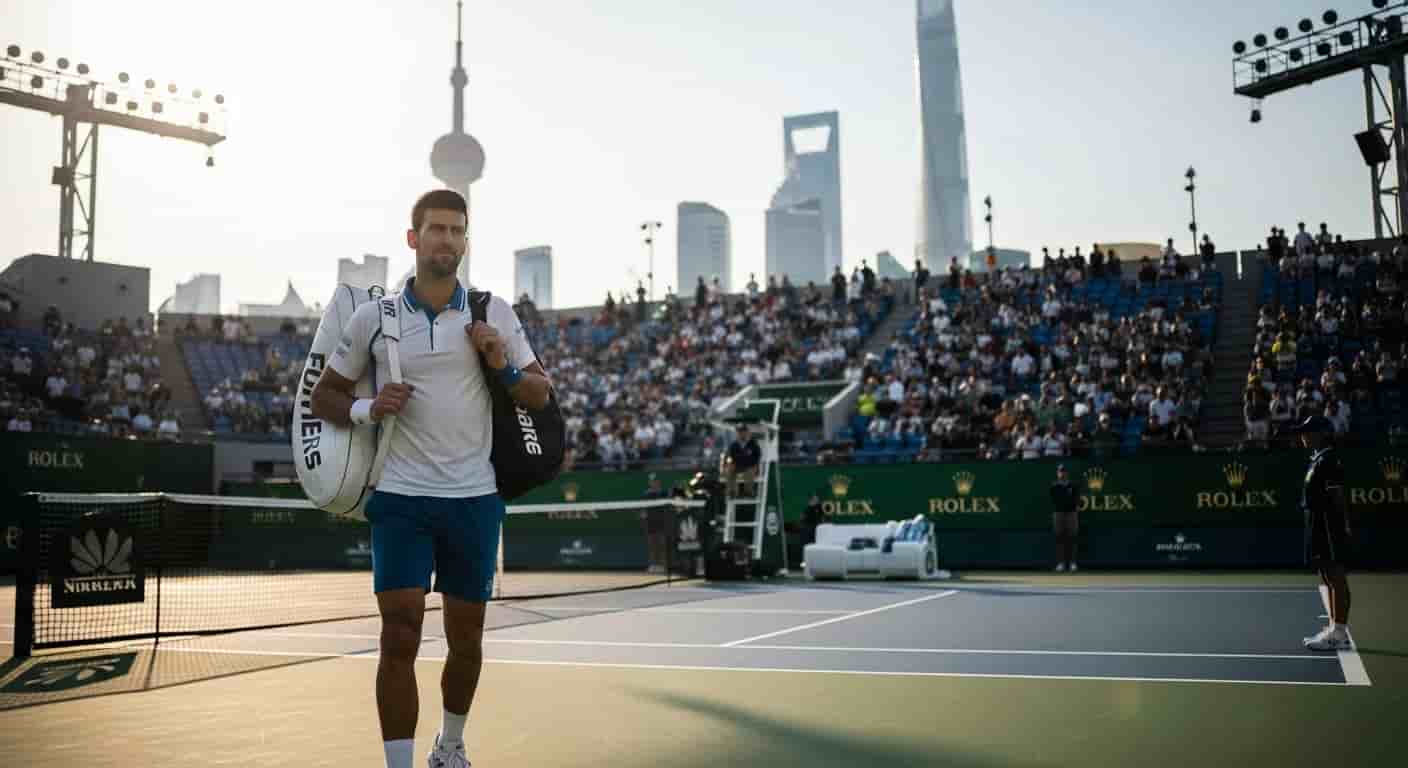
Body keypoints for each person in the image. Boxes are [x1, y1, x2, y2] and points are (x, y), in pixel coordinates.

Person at [311, 189, 551, 768]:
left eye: (456, 230)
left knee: (466, 641)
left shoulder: (494, 312)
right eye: (436, 229)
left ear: (465, 241)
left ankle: (450, 746)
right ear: (413, 239)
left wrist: (502, 365)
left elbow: (541, 395)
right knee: (399, 634)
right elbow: (324, 396)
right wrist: (369, 408)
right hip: (400, 498)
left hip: (474, 499)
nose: (447, 239)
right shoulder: (375, 317)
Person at [1292, 415, 1354, 652]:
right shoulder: (1317, 459)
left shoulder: (1328, 460)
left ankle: (1339, 633)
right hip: (1318, 524)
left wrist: (1343, 526)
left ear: (1322, 434)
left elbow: (1338, 496)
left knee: (1335, 576)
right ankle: (1335, 629)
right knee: (1327, 575)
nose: (1303, 435)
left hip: (1329, 524)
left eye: (1308, 431)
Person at [1050, 464, 1079, 572]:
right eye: (1060, 471)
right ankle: (1060, 563)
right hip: (1058, 513)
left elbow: (1076, 499)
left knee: (1072, 537)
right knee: (1059, 537)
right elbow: (1054, 499)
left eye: (1063, 471)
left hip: (1071, 513)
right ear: (1057, 473)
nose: (1062, 473)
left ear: (1067, 473)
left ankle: (1072, 563)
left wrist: (1072, 507)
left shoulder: (1073, 485)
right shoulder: (1054, 486)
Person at [722, 423, 762, 498]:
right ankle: (732, 492)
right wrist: (725, 465)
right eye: (739, 432)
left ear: (747, 432)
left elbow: (757, 457)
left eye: (742, 431)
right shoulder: (734, 445)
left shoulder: (753, 444)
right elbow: (728, 455)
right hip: (738, 465)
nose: (741, 433)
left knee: (749, 472)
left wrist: (756, 467)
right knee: (730, 470)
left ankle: (748, 492)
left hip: (750, 466)